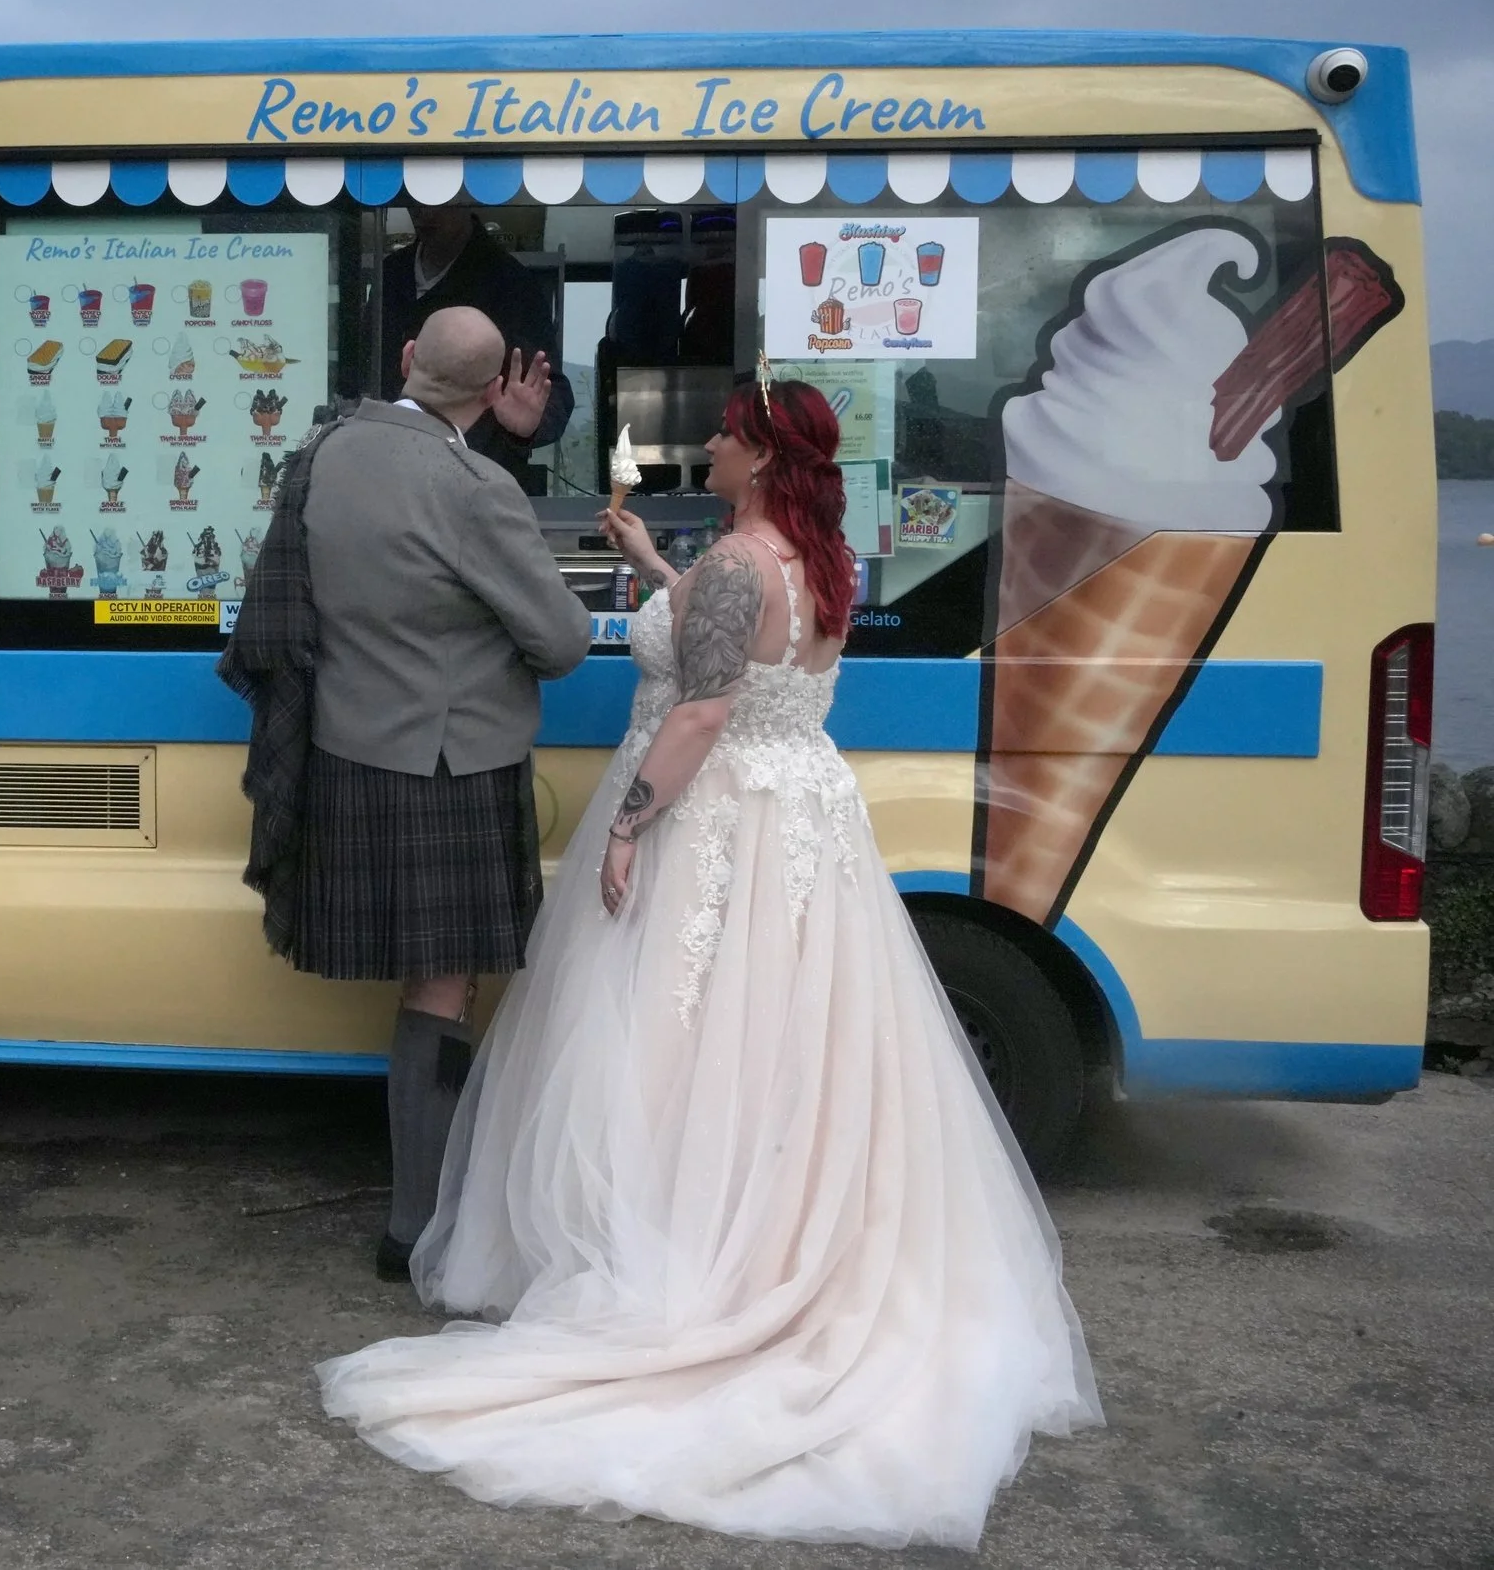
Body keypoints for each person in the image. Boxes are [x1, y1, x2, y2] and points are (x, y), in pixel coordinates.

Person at [317, 371, 1100, 1549]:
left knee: (668, 1035)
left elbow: (700, 708)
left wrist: (627, 824)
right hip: (804, 818)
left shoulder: (740, 564)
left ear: (759, 456)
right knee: (782, 1043)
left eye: (728, 441)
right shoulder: (815, 559)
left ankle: (675, 1254)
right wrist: (650, 564)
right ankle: (773, 1230)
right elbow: (752, 657)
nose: (714, 455)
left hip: (717, 818)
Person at [220, 306, 589, 1281]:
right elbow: (559, 642)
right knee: (441, 987)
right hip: (446, 764)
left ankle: (421, 1207)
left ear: (404, 360)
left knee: (420, 984)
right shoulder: (473, 488)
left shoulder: (324, 448)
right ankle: (417, 1222)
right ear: (488, 390)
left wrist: (491, 439)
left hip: (346, 750)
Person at [377, 205, 571, 485]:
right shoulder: (391, 273)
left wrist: (524, 429)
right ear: (410, 358)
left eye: (438, 201)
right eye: (414, 199)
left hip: (475, 483)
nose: (423, 213)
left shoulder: (511, 284)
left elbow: (552, 394)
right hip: (386, 470)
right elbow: (355, 368)